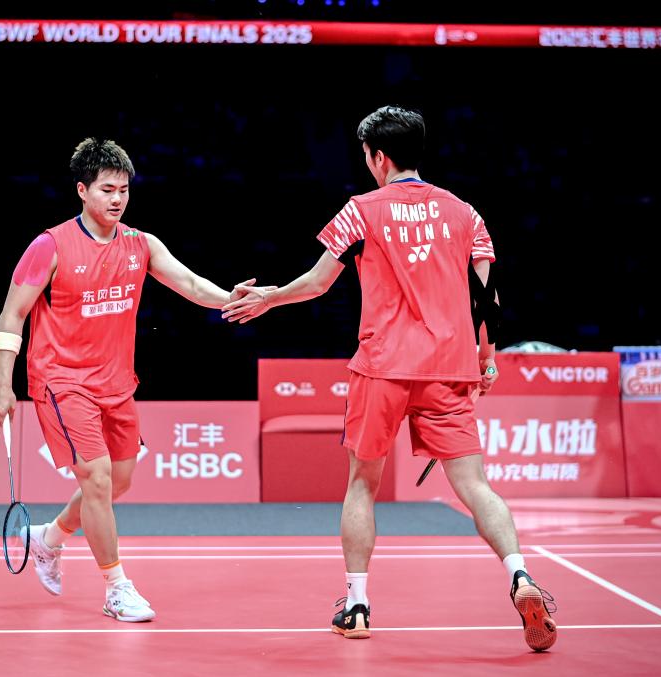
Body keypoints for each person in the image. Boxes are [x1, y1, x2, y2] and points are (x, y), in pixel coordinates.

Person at [222, 106, 557, 651]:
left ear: (378, 156)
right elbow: (487, 299)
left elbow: (317, 283)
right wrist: (487, 359)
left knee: (362, 484)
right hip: (448, 367)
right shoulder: (466, 214)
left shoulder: (360, 210)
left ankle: (356, 605)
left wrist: (270, 297)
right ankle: (519, 573)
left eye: (365, 155)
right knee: (475, 486)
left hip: (382, 367)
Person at [0, 138, 264, 623]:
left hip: (116, 383)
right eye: (107, 190)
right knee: (96, 478)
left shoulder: (141, 244)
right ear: (82, 190)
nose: (117, 199)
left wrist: (230, 297)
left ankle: (49, 538)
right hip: (61, 380)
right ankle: (116, 587)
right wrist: (2, 383)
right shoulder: (50, 245)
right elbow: (13, 314)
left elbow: (190, 284)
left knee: (118, 481)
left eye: (123, 190)